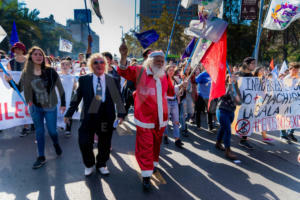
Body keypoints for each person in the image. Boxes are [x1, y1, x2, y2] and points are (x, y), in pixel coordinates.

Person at [118, 41, 170, 191]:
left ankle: (153, 165)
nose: (160, 63)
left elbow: (170, 92)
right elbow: (123, 71)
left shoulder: (164, 75)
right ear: (150, 61)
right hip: (145, 119)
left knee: (156, 145)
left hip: (161, 118)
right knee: (146, 146)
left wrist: (181, 88)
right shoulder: (140, 71)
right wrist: (123, 56)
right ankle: (146, 176)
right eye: (157, 61)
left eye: (162, 61)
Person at [4, 46, 66, 169]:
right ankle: (41, 157)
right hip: (34, 107)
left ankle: (56, 143)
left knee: (53, 131)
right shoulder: (26, 73)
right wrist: (10, 81)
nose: (38, 56)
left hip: (50, 106)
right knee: (39, 131)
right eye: (35, 54)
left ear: (43, 57)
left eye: (40, 54)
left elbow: (60, 87)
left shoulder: (51, 71)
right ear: (31, 57)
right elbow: (19, 88)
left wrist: (63, 103)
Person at [64, 53, 125, 176]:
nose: (99, 64)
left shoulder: (112, 80)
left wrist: (121, 114)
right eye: (95, 62)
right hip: (89, 115)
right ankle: (89, 164)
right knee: (84, 142)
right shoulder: (84, 79)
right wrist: (68, 114)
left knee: (104, 142)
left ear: (106, 65)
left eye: (102, 62)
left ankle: (101, 164)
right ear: (91, 66)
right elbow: (76, 98)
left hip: (105, 116)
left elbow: (118, 99)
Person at [6, 42, 32, 137]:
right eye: (15, 49)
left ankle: (27, 126)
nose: (17, 51)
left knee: (28, 107)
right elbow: (7, 75)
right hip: (16, 88)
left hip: (28, 88)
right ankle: (25, 125)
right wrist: (7, 78)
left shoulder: (29, 61)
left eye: (19, 49)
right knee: (20, 108)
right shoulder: (11, 62)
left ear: (23, 50)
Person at [215, 74, 241, 160]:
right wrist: (230, 85)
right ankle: (227, 151)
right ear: (227, 78)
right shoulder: (223, 86)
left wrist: (238, 99)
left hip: (231, 112)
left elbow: (239, 103)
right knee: (228, 131)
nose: (233, 78)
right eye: (231, 77)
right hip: (222, 111)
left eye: (235, 77)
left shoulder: (237, 89)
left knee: (223, 128)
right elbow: (224, 95)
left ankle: (218, 143)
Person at [235, 57, 256, 149]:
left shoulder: (252, 76)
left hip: (249, 104)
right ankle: (222, 140)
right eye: (252, 63)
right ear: (246, 64)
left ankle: (244, 140)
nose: (254, 66)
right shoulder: (237, 75)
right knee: (235, 121)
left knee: (247, 120)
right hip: (237, 104)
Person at [163, 64, 184, 148]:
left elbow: (178, 91)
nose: (171, 72)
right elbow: (170, 89)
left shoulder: (175, 79)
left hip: (174, 101)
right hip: (166, 102)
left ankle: (177, 139)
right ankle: (165, 136)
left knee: (176, 121)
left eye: (172, 70)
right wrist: (180, 86)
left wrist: (182, 86)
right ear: (166, 71)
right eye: (170, 70)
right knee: (166, 121)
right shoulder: (164, 79)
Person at [279, 62, 299, 143]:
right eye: (294, 70)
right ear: (290, 70)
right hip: (286, 102)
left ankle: (290, 133)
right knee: (284, 118)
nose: (296, 71)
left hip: (296, 102)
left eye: (297, 70)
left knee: (296, 117)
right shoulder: (287, 78)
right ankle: (283, 135)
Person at [253, 67, 274, 143]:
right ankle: (244, 135)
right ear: (257, 71)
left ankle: (264, 136)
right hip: (254, 101)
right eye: (261, 70)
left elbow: (268, 89)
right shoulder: (252, 79)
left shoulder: (265, 79)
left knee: (263, 119)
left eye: (263, 70)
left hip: (263, 101)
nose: (262, 71)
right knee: (252, 118)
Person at [59, 57, 77, 137]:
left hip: (69, 98)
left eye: (66, 64)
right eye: (62, 64)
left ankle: (68, 129)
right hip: (59, 99)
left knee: (69, 113)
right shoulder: (57, 76)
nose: (64, 66)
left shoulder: (72, 77)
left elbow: (75, 87)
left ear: (70, 66)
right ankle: (62, 124)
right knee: (60, 112)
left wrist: (73, 85)